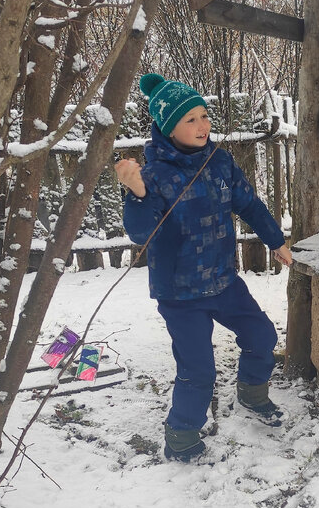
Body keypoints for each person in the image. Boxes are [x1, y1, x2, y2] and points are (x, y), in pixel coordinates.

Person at [115, 73, 294, 462]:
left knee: (261, 335)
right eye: (190, 119)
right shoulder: (154, 175)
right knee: (198, 372)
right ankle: (181, 440)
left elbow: (248, 203)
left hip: (224, 280)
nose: (202, 125)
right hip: (181, 295)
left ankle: (252, 393)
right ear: (168, 127)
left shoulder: (219, 160)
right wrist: (137, 193)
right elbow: (140, 232)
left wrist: (275, 240)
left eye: (204, 115)